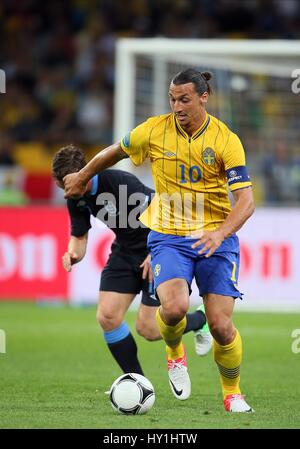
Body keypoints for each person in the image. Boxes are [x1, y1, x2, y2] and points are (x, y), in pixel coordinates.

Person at [63, 68, 255, 412]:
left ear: (203, 98)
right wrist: (83, 174)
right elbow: (115, 151)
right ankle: (174, 353)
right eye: (172, 99)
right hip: (168, 235)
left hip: (217, 237)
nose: (177, 106)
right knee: (174, 308)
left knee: (223, 327)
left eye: (184, 99)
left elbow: (246, 201)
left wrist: (221, 232)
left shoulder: (227, 140)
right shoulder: (153, 130)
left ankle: (232, 394)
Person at [52, 145, 212, 377]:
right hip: (124, 251)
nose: (63, 190)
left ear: (83, 173)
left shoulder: (120, 183)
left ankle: (200, 320)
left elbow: (166, 212)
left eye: (64, 183)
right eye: (60, 184)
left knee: (148, 328)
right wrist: (73, 254)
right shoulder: (75, 196)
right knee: (107, 317)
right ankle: (137, 382)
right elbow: (79, 235)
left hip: (155, 248)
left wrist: (158, 251)